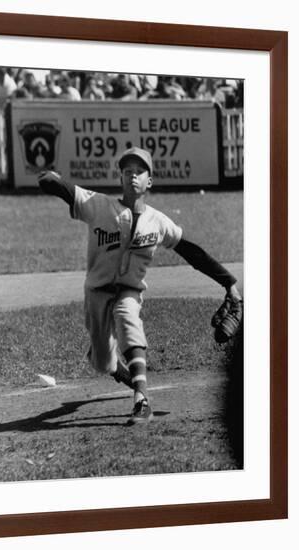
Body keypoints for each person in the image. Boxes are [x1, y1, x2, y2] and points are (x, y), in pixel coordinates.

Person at [37, 147, 242, 425]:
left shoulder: (158, 222)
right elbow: (58, 186)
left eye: (139, 172)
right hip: (96, 293)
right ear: (120, 178)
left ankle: (141, 400)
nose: (132, 176)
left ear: (149, 182)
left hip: (129, 291)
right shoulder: (98, 205)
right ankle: (116, 366)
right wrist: (50, 177)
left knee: (127, 318)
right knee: (102, 363)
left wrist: (228, 282)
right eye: (127, 171)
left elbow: (192, 252)